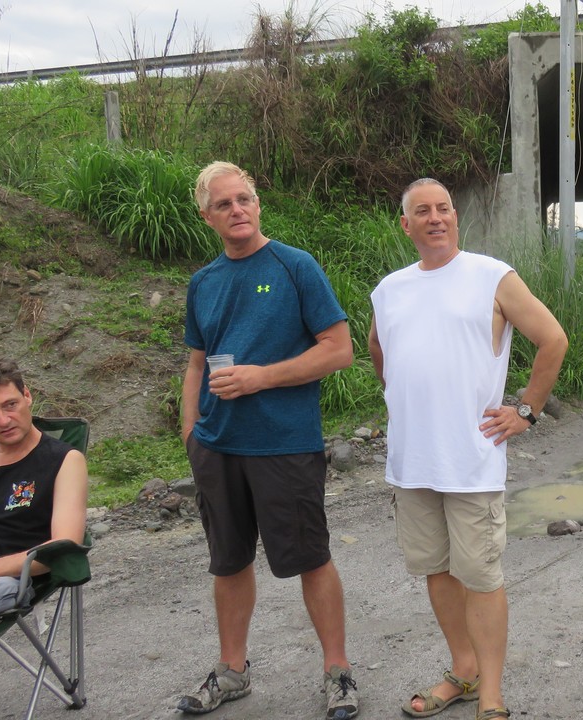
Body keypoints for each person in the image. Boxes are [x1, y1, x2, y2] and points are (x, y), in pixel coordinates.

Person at [368, 178, 568, 720]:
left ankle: (493, 694)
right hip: (411, 462)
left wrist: (525, 409)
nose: (435, 218)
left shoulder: (491, 276)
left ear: (456, 217)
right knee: (436, 570)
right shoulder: (389, 289)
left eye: (444, 209)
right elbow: (378, 347)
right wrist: (401, 398)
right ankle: (465, 670)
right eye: (422, 211)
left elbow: (552, 339)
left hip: (471, 459)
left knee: (480, 576)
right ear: (406, 225)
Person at [179, 161, 359, 720]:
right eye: (224, 204)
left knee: (311, 558)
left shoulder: (294, 265)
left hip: (284, 443)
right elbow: (196, 363)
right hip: (218, 446)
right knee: (228, 562)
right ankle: (232, 671)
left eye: (245, 199)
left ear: (257, 205)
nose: (237, 210)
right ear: (207, 216)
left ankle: (338, 671)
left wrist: (262, 377)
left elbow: (339, 349)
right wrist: (191, 433)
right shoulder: (204, 282)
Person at [0, 358, 88, 643]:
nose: (3, 420)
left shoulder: (63, 460)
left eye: (10, 405)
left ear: (27, 396)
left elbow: (62, 547)